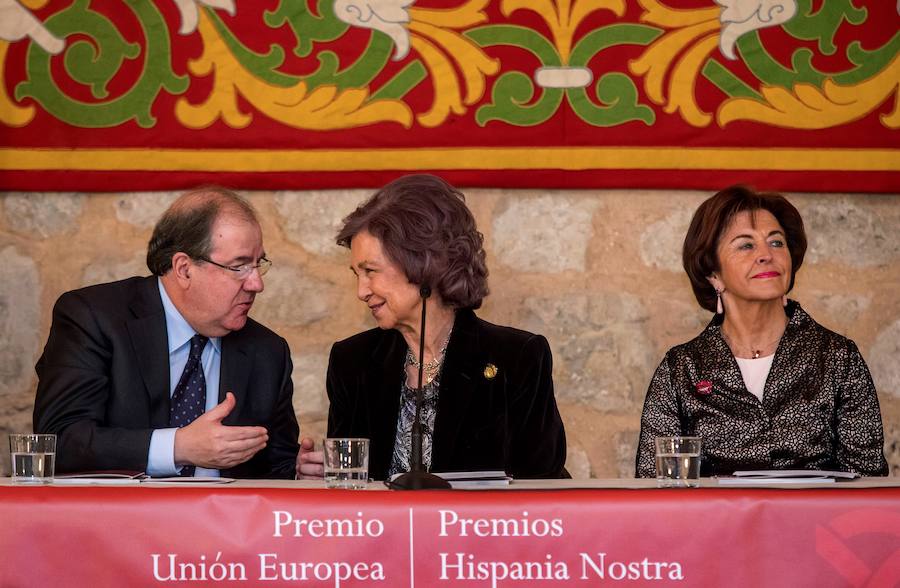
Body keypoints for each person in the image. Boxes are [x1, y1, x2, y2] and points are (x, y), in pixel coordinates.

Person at [296, 174, 567, 480]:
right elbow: (350, 481)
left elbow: (542, 481)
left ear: (424, 264)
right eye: (356, 274)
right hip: (383, 529)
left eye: (371, 271)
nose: (361, 291)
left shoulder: (517, 358)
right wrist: (325, 476)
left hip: (478, 528)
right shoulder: (352, 361)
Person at [33, 187, 300, 478]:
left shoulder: (267, 350)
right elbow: (59, 442)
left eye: (258, 263)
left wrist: (299, 470)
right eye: (239, 266)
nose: (257, 283)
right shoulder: (93, 318)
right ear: (184, 269)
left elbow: (276, 465)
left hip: (225, 522)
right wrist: (177, 447)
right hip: (117, 520)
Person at [635, 186, 888, 477]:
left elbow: (867, 486)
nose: (766, 255)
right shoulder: (681, 370)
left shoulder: (838, 358)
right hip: (714, 524)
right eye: (746, 245)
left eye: (777, 243)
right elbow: (654, 487)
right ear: (712, 273)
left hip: (818, 524)